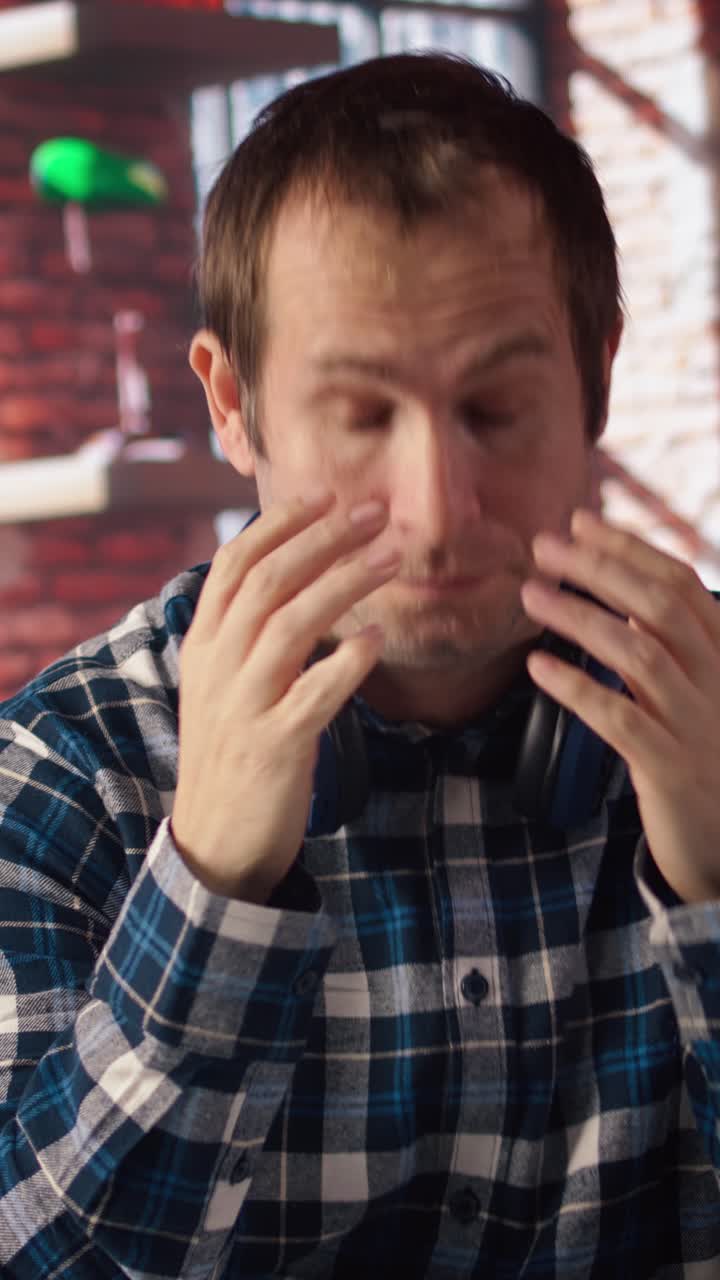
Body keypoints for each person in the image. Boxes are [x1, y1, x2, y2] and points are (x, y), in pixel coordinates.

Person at [1, 51, 719, 1280]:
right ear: (232, 403)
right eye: (360, 416)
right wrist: (207, 896)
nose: (438, 512)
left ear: (599, 374)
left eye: (495, 409)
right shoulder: (58, 771)